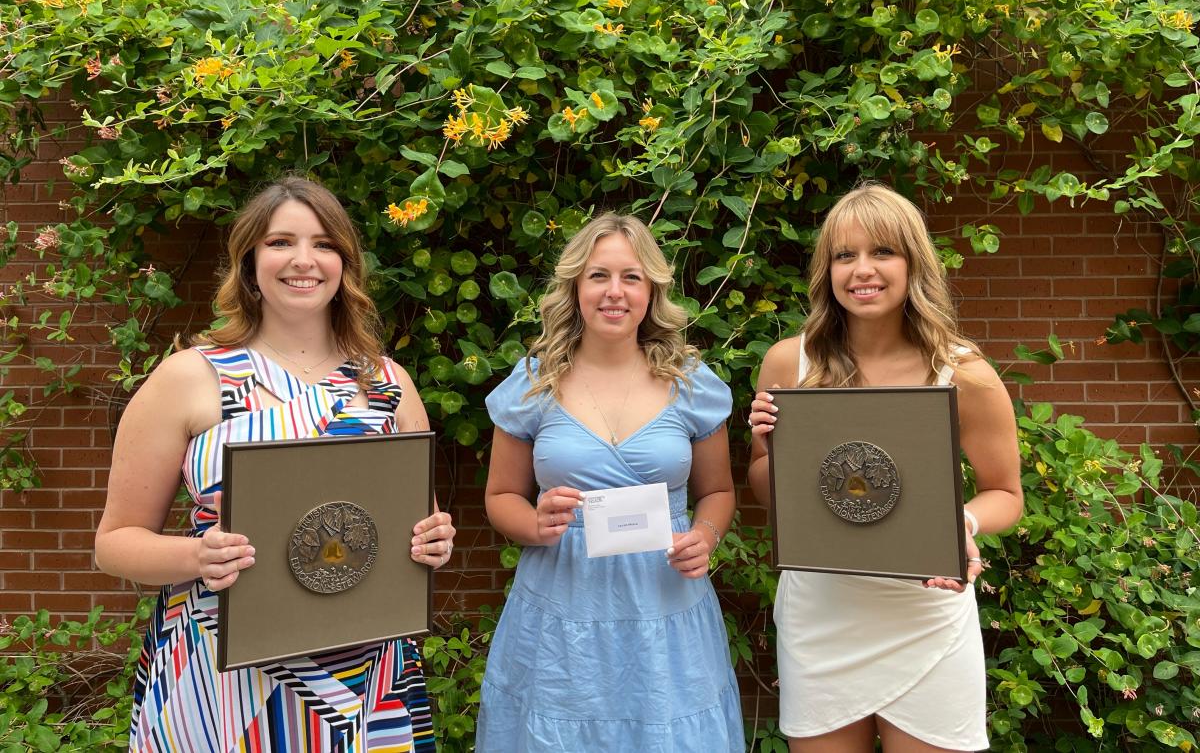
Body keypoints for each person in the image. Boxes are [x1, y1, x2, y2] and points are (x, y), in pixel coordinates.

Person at [95, 176, 455, 753]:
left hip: (365, 678)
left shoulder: (386, 383)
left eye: (323, 244)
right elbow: (114, 543)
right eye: (280, 242)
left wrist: (434, 540)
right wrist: (195, 554)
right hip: (221, 676)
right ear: (249, 261)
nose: (303, 260)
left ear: (345, 262)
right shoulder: (191, 378)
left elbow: (419, 526)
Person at [747, 182, 1023, 753]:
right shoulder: (787, 362)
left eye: (882, 253)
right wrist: (775, 449)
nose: (862, 270)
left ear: (913, 263)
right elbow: (766, 493)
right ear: (826, 271)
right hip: (821, 612)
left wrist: (960, 526)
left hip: (925, 612)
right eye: (844, 256)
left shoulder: (964, 374)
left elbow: (1005, 493)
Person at [478, 212, 744, 750]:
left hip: (664, 605)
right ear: (575, 286)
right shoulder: (534, 382)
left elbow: (718, 492)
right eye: (599, 276)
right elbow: (500, 496)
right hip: (562, 608)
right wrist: (535, 523)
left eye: (632, 277)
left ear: (652, 290)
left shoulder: (691, 383)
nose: (614, 292)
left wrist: (706, 537)